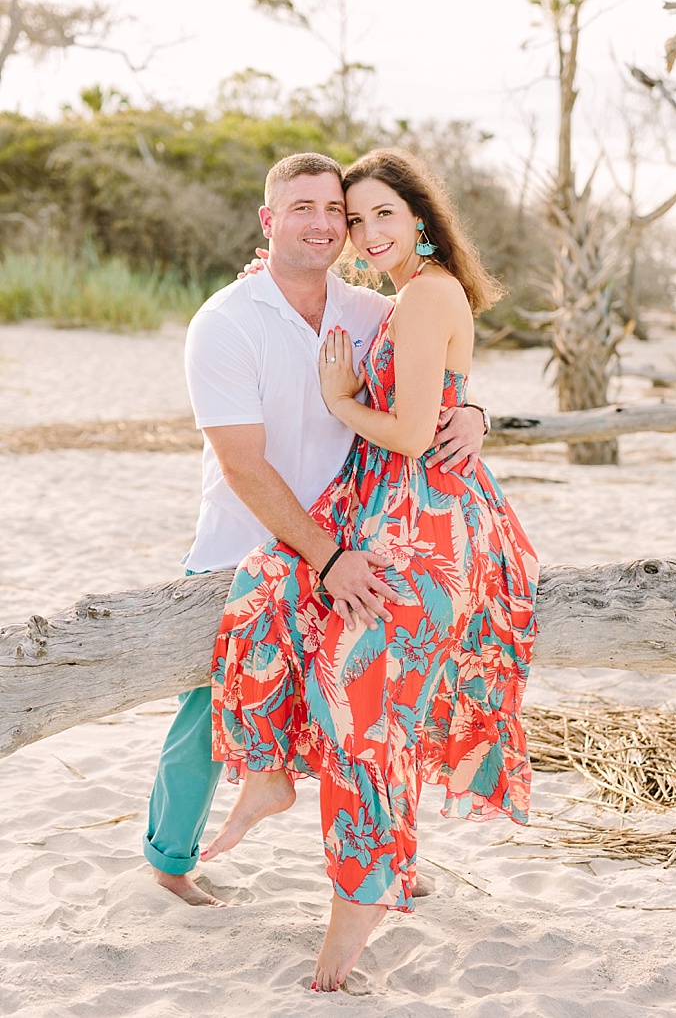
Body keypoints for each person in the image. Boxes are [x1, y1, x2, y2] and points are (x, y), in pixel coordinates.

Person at [203, 148, 539, 991]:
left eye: (382, 213)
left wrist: (343, 401)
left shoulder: (425, 293)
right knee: (267, 582)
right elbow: (434, 383)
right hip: (379, 507)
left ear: (421, 216)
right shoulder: (395, 298)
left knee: (365, 712)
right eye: (355, 220)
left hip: (429, 521)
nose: (364, 231)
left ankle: (352, 920)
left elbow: (415, 431)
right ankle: (270, 774)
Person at [142, 151, 487, 907]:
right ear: (269, 221)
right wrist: (324, 555)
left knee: (372, 702)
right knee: (211, 709)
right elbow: (241, 464)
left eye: (338, 210)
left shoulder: (366, 312)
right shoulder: (226, 321)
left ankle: (384, 853)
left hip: (354, 541)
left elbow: (431, 369)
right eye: (305, 207)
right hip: (249, 540)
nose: (327, 223)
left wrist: (471, 412)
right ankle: (169, 857)